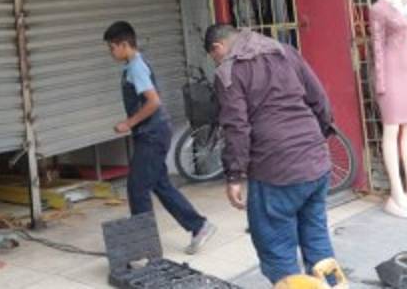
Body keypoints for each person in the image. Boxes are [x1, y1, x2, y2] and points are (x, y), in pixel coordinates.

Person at [203, 24, 336, 285]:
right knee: (317, 236)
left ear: (218, 47)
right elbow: (319, 98)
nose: (216, 62)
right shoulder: (284, 51)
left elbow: (236, 127)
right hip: (315, 161)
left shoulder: (229, 71)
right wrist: (316, 140)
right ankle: (331, 285)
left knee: (277, 248)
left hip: (276, 169)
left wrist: (234, 175)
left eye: (213, 57)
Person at [103, 21, 216, 254]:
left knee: (137, 188)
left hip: (152, 134)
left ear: (124, 44)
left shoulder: (136, 67)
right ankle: (199, 226)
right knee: (160, 184)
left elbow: (153, 102)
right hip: (153, 132)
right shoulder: (133, 65)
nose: (110, 52)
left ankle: (145, 246)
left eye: (112, 47)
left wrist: (128, 123)